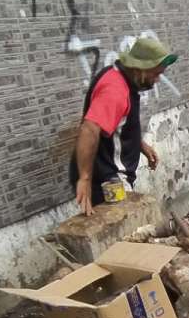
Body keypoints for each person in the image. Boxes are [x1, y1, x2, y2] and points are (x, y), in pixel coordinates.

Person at [70, 36, 177, 215]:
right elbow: (89, 129)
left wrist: (139, 144)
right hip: (108, 178)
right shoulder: (115, 90)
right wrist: (85, 178)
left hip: (108, 171)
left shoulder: (118, 75)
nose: (158, 79)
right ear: (140, 69)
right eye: (156, 74)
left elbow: (116, 122)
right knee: (124, 227)